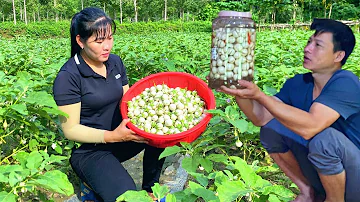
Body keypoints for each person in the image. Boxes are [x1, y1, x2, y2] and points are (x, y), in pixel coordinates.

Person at [217, 18, 360, 202]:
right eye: (309, 42)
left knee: (325, 140)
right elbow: (260, 117)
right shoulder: (299, 84)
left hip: (355, 176)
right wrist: (238, 90)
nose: (307, 48)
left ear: (338, 56)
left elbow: (311, 126)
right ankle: (308, 192)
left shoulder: (346, 82)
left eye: (318, 45)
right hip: (330, 174)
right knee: (270, 129)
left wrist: (260, 95)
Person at [52, 7, 165, 202]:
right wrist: (112, 136)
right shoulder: (68, 77)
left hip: (122, 136)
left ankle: (150, 190)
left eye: (110, 38)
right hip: (91, 151)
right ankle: (90, 181)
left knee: (162, 136)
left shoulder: (114, 62)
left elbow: (127, 99)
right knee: (128, 197)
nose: (107, 46)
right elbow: (70, 130)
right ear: (80, 41)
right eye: (99, 41)